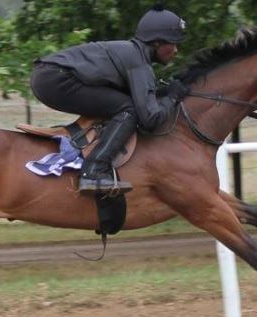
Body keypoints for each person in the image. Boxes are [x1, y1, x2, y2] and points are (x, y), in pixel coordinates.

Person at [30, 5, 189, 195]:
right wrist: (172, 97)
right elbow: (150, 119)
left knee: (124, 104)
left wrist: (164, 92)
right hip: (54, 79)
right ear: (157, 42)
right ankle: (93, 171)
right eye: (173, 43)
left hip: (48, 76)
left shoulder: (133, 55)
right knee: (127, 109)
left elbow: (144, 98)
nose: (176, 50)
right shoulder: (137, 62)